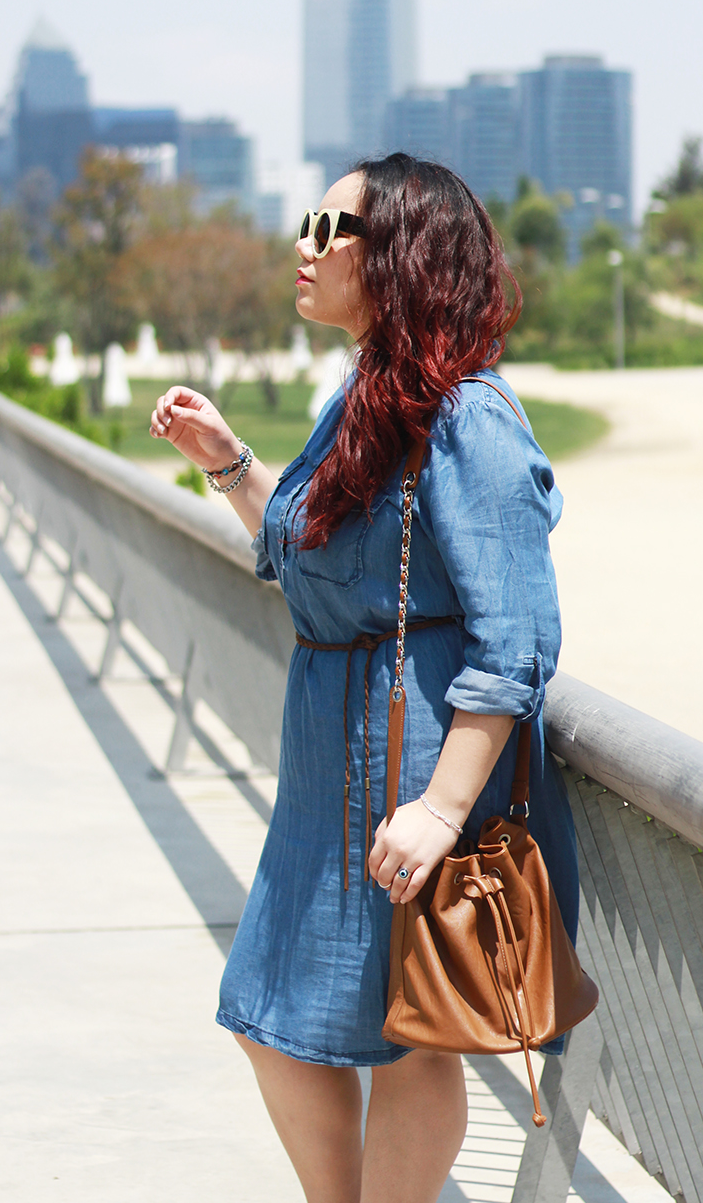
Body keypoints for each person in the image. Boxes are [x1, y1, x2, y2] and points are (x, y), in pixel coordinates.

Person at [150, 154, 579, 1203]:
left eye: (329, 228)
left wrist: (441, 807)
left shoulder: (468, 416)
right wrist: (227, 462)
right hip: (330, 762)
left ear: (399, 258)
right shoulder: (363, 400)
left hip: (414, 763)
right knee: (276, 1018)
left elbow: (516, 634)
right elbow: (311, 561)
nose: (305, 245)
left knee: (412, 1031)